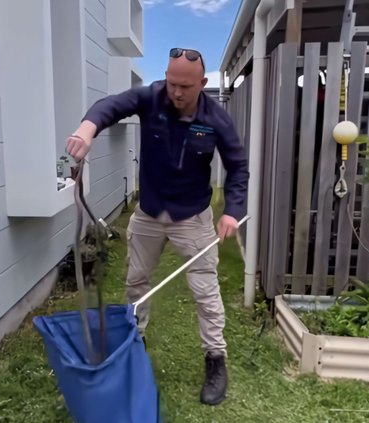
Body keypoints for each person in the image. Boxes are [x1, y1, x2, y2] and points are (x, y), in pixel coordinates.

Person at [66, 48, 249, 406]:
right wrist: (87, 129)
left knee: (206, 293)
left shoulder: (217, 119)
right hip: (148, 215)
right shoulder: (151, 98)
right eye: (171, 82)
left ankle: (215, 360)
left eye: (184, 85)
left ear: (203, 83)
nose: (175, 92)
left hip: (192, 219)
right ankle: (136, 347)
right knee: (137, 284)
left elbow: (239, 168)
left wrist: (232, 211)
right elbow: (111, 106)